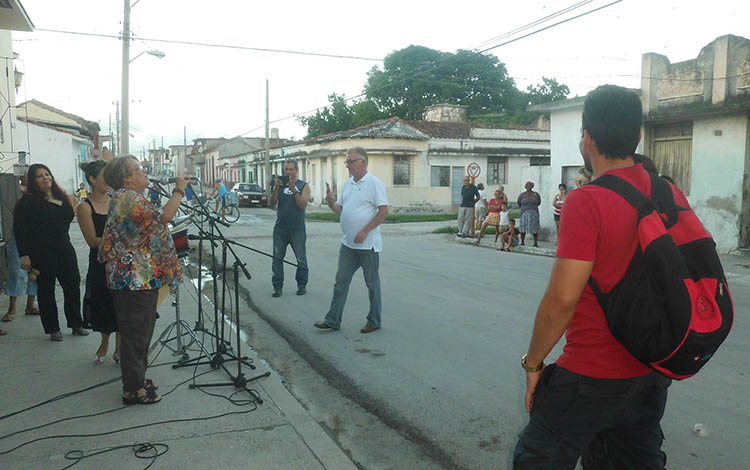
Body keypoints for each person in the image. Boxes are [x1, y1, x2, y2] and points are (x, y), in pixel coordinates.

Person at [514, 85, 674, 469]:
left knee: (535, 460)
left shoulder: (586, 200)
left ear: (587, 137)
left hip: (590, 375)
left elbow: (563, 299)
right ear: (637, 136)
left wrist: (534, 364)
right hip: (651, 373)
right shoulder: (668, 192)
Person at [99, 156, 187, 405]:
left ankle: (137, 379)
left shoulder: (128, 197)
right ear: (126, 178)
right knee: (136, 334)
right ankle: (132, 389)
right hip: (133, 279)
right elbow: (166, 216)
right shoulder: (128, 197)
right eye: (138, 169)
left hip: (140, 277)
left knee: (140, 332)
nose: (144, 172)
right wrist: (179, 189)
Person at [315, 147, 388, 334]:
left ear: (362, 162)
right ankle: (332, 320)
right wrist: (331, 202)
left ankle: (374, 320)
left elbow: (383, 211)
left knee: (371, 283)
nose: (347, 165)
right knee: (341, 281)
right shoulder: (348, 184)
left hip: (367, 245)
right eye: (347, 162)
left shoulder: (374, 183)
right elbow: (340, 210)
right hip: (348, 244)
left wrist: (365, 230)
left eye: (350, 161)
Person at [14, 164, 88, 341]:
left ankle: (76, 323)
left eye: (47, 174)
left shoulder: (60, 195)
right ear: (33, 180)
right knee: (46, 289)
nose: (45, 178)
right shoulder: (27, 201)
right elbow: (19, 229)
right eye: (39, 176)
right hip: (41, 251)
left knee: (72, 283)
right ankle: (52, 328)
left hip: (64, 247)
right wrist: (24, 254)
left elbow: (69, 216)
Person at [77, 160, 120, 365]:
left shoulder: (116, 201)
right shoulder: (84, 207)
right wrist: (118, 240)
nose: (110, 181)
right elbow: (92, 240)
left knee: (122, 305)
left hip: (121, 262)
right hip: (100, 262)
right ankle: (105, 342)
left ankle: (120, 347)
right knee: (103, 304)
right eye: (105, 176)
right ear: (93, 180)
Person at [269, 160, 310, 297]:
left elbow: (303, 205)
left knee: (301, 258)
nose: (288, 172)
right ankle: (277, 286)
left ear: (296, 170)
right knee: (277, 258)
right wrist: (275, 188)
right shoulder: (280, 185)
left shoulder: (303, 185)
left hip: (297, 229)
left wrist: (294, 190)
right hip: (280, 228)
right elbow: (272, 204)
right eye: (286, 169)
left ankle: (302, 285)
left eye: (291, 169)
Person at [2, 178, 39, 324]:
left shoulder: (44, 200)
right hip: (19, 241)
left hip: (36, 243)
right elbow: (18, 226)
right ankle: (12, 308)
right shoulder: (23, 202)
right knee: (16, 274)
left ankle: (30, 305)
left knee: (35, 274)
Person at [517, 181, 541, 247]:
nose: (528, 187)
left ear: (532, 187)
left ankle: (535, 242)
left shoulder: (536, 194)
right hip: (524, 213)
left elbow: (539, 202)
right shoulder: (522, 195)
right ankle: (522, 241)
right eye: (527, 185)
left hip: (534, 213)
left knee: (535, 228)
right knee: (523, 228)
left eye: (530, 185)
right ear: (525, 186)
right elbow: (519, 203)